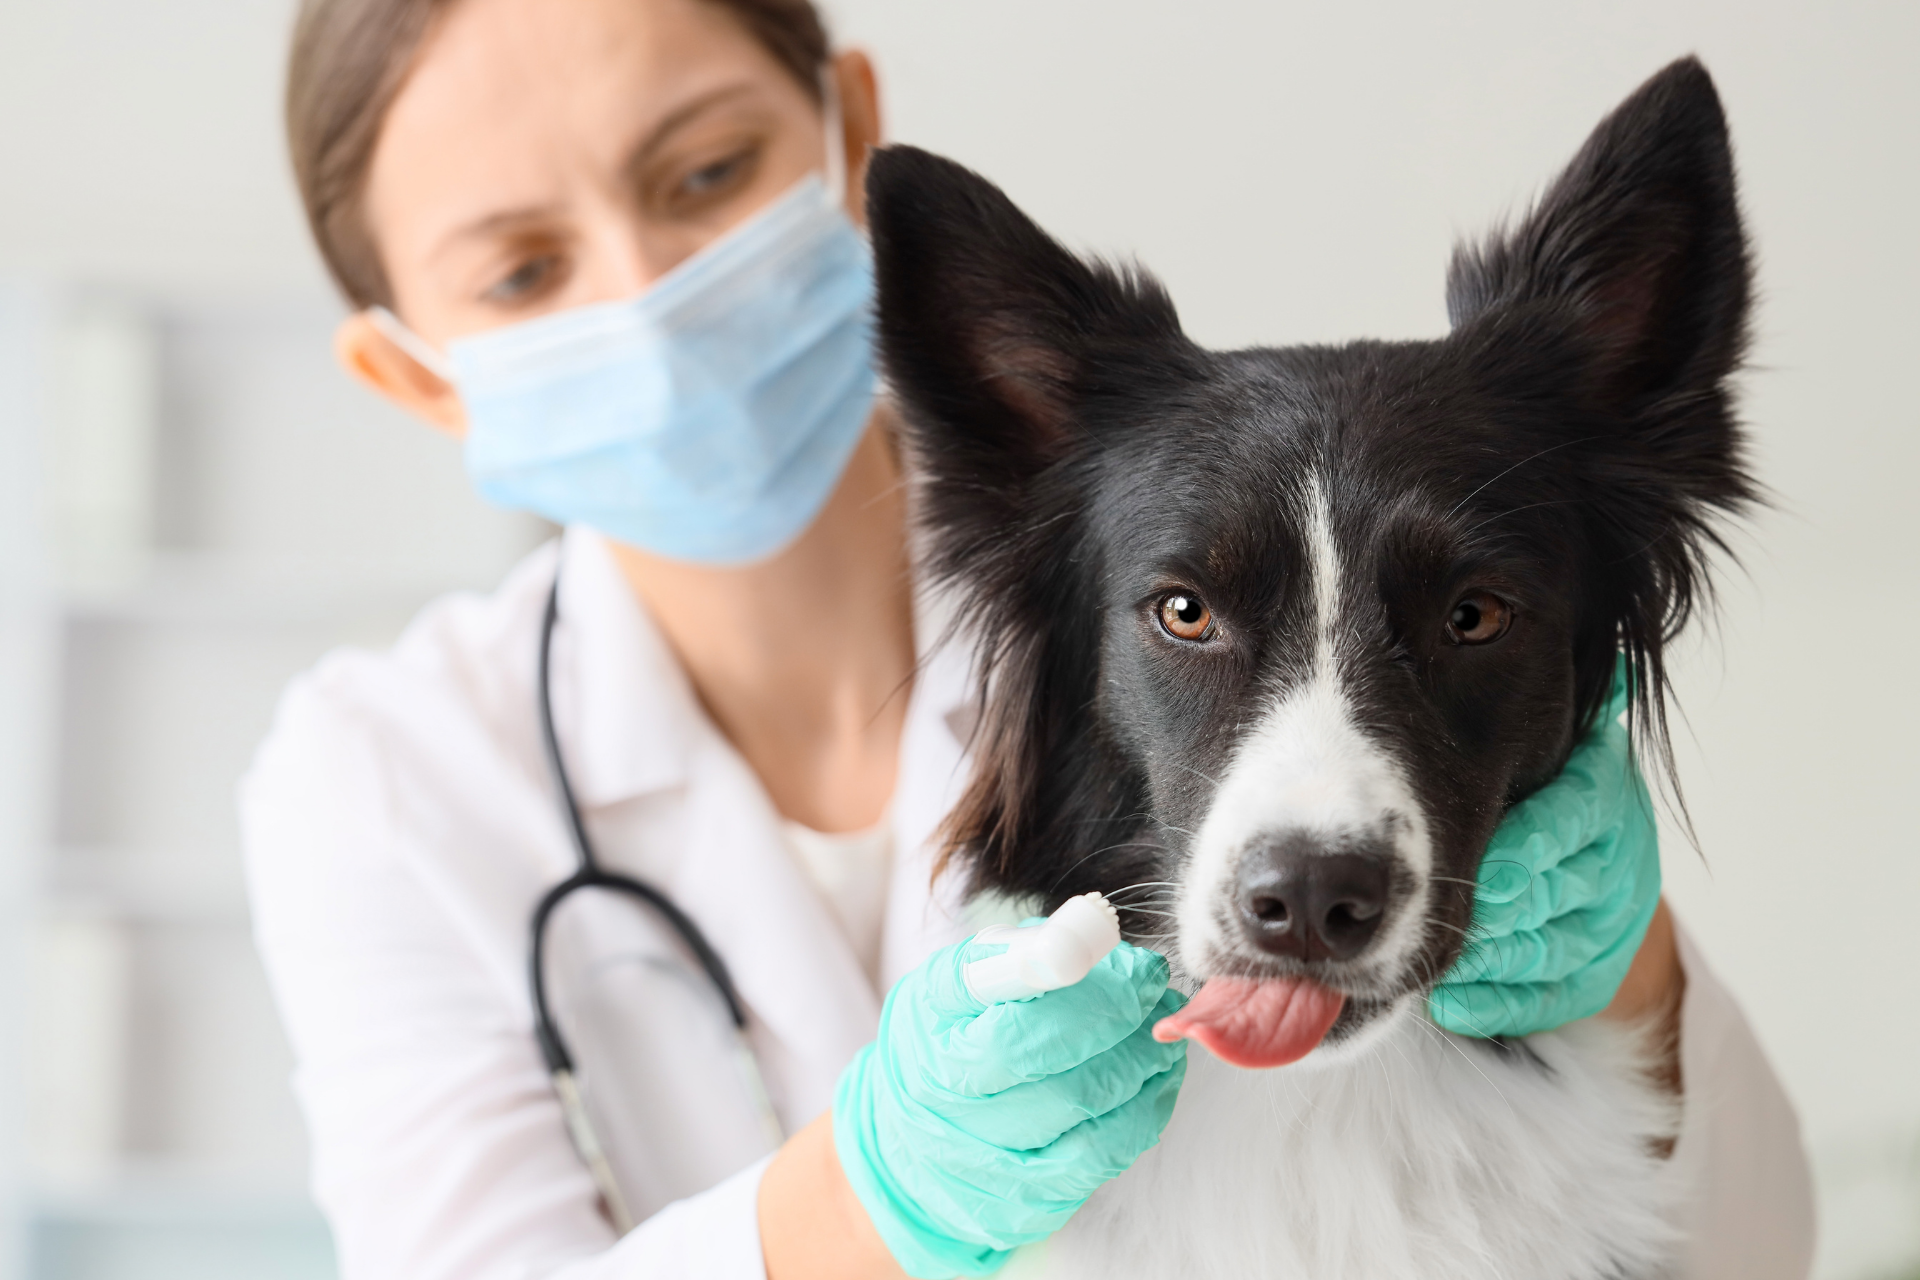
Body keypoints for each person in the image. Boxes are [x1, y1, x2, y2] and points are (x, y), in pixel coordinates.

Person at [241, 0, 1816, 1277]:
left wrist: (1629, 979)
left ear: (848, 137)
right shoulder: (380, 777)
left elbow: (1754, 1250)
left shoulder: (1242, 494)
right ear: (418, 375)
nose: (649, 296)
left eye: (705, 172)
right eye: (523, 270)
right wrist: (872, 1201)